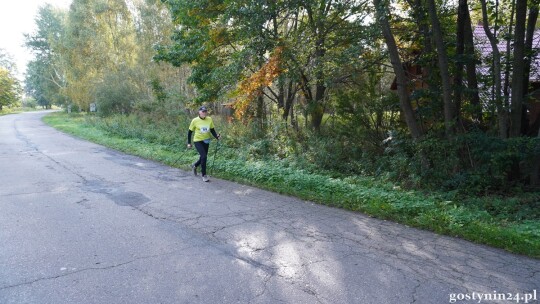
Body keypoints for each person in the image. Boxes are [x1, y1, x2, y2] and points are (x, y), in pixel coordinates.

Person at [187, 106, 220, 182]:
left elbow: (212, 130)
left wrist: (216, 137)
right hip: (198, 140)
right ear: (199, 112)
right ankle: (204, 175)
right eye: (203, 111)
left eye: (205, 111)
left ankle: (194, 165)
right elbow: (190, 132)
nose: (204, 113)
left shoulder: (209, 119)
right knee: (204, 156)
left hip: (206, 140)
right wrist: (189, 143)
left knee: (203, 157)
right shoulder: (195, 120)